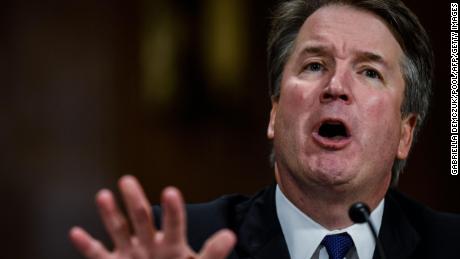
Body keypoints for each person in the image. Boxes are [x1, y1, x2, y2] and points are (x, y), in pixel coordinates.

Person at [69, 0, 460, 258]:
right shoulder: (175, 241)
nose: (336, 87)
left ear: (405, 135)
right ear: (274, 115)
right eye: (314, 65)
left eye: (369, 72)